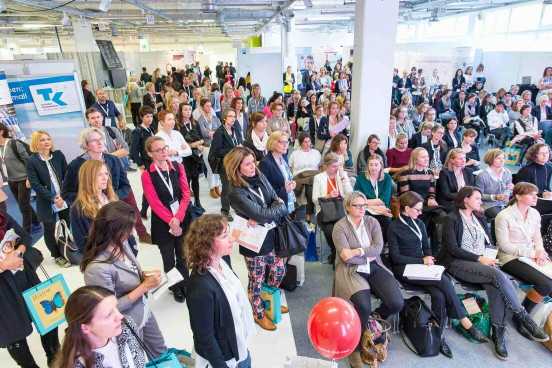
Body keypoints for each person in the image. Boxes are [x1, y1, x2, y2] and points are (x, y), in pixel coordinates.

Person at [438, 186, 548, 360]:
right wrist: (479, 259)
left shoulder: (479, 217)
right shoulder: (451, 219)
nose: (481, 202)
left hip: (482, 264)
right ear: (465, 199)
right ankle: (523, 317)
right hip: (458, 263)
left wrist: (489, 257)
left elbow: (488, 243)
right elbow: (452, 249)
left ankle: (498, 333)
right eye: (477, 199)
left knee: (496, 285)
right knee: (499, 277)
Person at [388, 191, 488, 358]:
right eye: (418, 210)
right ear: (406, 208)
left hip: (423, 269)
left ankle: (439, 337)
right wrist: (422, 260)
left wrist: (429, 259)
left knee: (439, 295)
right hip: (405, 269)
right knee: (444, 281)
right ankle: (465, 321)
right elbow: (395, 257)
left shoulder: (419, 223)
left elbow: (427, 247)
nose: (421, 213)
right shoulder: (394, 226)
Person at [81, 201, 166, 356]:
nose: (133, 232)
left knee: (161, 352)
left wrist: (143, 275)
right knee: (137, 360)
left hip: (143, 309)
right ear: (115, 230)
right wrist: (144, 287)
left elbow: (128, 270)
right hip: (124, 325)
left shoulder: (122, 242)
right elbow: (109, 308)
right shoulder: (96, 269)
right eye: (129, 228)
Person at [332, 191, 404, 368]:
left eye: (364, 205)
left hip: (374, 266)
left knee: (396, 302)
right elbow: (345, 258)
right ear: (348, 207)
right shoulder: (340, 227)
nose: (361, 209)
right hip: (351, 270)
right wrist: (365, 253)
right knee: (362, 306)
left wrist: (357, 251)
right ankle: (354, 349)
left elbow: (378, 248)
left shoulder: (373, 222)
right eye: (357, 205)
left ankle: (372, 319)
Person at [225, 147, 288, 331]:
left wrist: (270, 211)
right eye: (247, 164)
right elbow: (262, 213)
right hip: (253, 242)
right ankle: (258, 312)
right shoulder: (235, 191)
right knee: (256, 280)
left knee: (278, 269)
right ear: (237, 167)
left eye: (253, 162)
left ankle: (268, 299)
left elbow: (275, 199)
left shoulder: (259, 176)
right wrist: (272, 210)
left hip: (269, 234)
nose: (253, 166)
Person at [186, 214, 255, 368]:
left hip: (238, 345)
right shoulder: (200, 286)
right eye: (224, 236)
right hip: (224, 359)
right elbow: (205, 337)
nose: (231, 239)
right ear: (207, 244)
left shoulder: (222, 262)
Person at [62, 128, 151, 244]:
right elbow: (66, 193)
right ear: (86, 145)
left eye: (101, 139)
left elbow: (125, 186)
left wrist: (112, 197)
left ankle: (141, 235)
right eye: (94, 140)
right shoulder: (76, 165)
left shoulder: (113, 160)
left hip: (114, 208)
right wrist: (88, 200)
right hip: (92, 214)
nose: (100, 142)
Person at [0, 211, 60, 368]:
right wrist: (3, 265)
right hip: (2, 291)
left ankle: (55, 359)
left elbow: (24, 236)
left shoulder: (1, 215)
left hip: (24, 275)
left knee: (48, 318)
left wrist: (18, 252)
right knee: (14, 334)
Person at [141, 136, 191, 303]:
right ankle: (175, 286)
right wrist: (171, 221)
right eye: (158, 150)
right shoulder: (147, 175)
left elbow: (185, 195)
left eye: (165, 148)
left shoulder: (178, 167)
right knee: (168, 257)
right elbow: (154, 202)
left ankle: (185, 282)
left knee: (183, 254)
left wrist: (178, 217)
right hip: (163, 223)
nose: (164, 152)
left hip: (182, 217)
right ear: (150, 154)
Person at [55, 285, 147, 368]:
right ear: (85, 328)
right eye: (108, 315)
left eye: (116, 308)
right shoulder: (78, 364)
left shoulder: (126, 326)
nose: (120, 316)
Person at [495, 182, 552, 315]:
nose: (535, 197)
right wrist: (533, 253)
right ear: (518, 196)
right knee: (546, 284)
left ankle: (542, 318)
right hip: (509, 258)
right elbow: (504, 246)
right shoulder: (504, 216)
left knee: (549, 285)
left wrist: (540, 252)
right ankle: (522, 315)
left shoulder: (535, 213)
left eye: (535, 195)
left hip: (530, 255)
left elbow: (538, 238)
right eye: (531, 195)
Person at [26, 131, 70, 267]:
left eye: (48, 139)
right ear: (36, 143)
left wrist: (63, 195)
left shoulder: (58, 155)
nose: (46, 142)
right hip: (46, 200)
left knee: (66, 224)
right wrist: (52, 197)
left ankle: (67, 248)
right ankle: (56, 255)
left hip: (63, 198)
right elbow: (35, 184)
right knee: (49, 228)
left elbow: (67, 175)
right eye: (42, 140)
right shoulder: (32, 161)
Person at [70, 160, 129, 258]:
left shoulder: (112, 198)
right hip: (103, 260)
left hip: (124, 254)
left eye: (106, 173)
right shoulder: (78, 208)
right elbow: (82, 245)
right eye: (99, 174)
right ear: (88, 178)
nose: (105, 178)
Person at [398, 147, 445, 253]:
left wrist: (432, 198)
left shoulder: (429, 173)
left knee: (442, 217)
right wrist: (423, 202)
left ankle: (437, 252)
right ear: (415, 159)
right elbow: (406, 195)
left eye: (427, 156)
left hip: (427, 205)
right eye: (423, 157)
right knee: (427, 218)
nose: (426, 159)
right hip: (412, 205)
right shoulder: (405, 173)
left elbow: (432, 191)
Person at [312, 153, 353, 265]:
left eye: (337, 166)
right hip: (325, 212)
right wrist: (328, 196)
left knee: (344, 229)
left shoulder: (341, 176)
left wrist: (343, 176)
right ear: (326, 166)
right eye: (333, 166)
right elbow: (314, 199)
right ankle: (337, 254)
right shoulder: (318, 178)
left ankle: (336, 255)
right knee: (331, 231)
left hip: (341, 210)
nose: (336, 169)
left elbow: (350, 194)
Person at [0, 123, 39, 234]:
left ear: (1, 131)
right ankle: (36, 222)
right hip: (11, 180)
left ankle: (26, 230)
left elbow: (29, 161)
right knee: (23, 203)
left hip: (23, 178)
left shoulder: (14, 143)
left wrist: (29, 177)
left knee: (23, 205)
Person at [210, 108, 243, 220]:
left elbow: (239, 142)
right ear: (224, 118)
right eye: (230, 116)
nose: (233, 118)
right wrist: (233, 149)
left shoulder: (235, 130)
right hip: (224, 164)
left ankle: (236, 206)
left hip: (235, 162)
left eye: (234, 116)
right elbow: (216, 151)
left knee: (236, 186)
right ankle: (225, 210)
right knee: (227, 187)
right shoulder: (219, 132)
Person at [354, 155, 393, 240]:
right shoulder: (361, 178)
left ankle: (382, 246)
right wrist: (372, 205)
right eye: (371, 165)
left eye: (376, 164)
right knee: (366, 219)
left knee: (387, 221)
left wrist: (366, 202)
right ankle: (369, 245)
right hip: (367, 209)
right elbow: (357, 198)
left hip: (382, 208)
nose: (373, 167)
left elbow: (384, 200)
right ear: (367, 166)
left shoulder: (387, 178)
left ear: (381, 165)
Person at [259, 131, 296, 214]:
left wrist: (291, 183)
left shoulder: (283, 158)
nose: (285, 145)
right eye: (282, 142)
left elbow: (285, 178)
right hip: (275, 208)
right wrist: (284, 190)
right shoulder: (265, 163)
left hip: (287, 202)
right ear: (273, 143)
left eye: (287, 142)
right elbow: (264, 190)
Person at [177, 103, 205, 210]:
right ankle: (187, 204)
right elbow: (180, 144)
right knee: (186, 181)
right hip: (184, 158)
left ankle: (197, 202)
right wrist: (194, 145)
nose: (188, 112)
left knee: (196, 180)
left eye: (189, 109)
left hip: (195, 157)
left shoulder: (194, 123)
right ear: (181, 111)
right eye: (185, 110)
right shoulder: (178, 125)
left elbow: (202, 139)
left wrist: (198, 144)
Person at [86, 107, 133, 172]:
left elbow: (126, 150)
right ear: (88, 120)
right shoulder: (87, 136)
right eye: (92, 118)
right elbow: (90, 157)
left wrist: (106, 156)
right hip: (100, 171)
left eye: (98, 117)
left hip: (118, 168)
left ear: (102, 117)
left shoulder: (113, 130)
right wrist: (118, 152)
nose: (96, 120)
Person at [289, 133, 321, 222]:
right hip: (299, 176)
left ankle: (301, 213)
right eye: (305, 142)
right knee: (309, 186)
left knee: (310, 186)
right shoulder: (295, 154)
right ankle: (309, 214)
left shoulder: (316, 153)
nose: (307, 144)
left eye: (309, 141)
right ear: (300, 143)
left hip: (313, 176)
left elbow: (319, 168)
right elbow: (290, 168)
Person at [130, 106, 155, 218]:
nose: (149, 119)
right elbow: (133, 151)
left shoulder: (151, 129)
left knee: (153, 186)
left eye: (151, 116)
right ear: (141, 117)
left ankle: (145, 210)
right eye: (147, 116)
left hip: (154, 161)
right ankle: (144, 210)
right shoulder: (137, 131)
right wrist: (141, 164)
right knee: (149, 188)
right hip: (146, 163)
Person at [514, 143, 552, 215]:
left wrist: (548, 193)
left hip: (541, 199)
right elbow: (520, 191)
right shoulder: (526, 170)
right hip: (528, 201)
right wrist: (542, 194)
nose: (545, 155)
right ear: (535, 154)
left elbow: (546, 187)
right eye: (542, 153)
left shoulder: (549, 168)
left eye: (547, 152)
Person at [475, 149, 513, 219]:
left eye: (503, 158)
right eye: (498, 158)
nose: (502, 160)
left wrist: (507, 194)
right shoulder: (482, 176)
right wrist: (495, 197)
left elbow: (509, 188)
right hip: (488, 205)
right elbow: (478, 196)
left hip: (504, 203)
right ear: (491, 159)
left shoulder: (507, 172)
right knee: (504, 218)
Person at [197, 98, 223, 199]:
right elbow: (204, 133)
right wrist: (212, 132)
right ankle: (211, 188)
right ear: (203, 107)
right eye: (207, 106)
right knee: (210, 168)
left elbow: (220, 129)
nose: (209, 107)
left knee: (217, 167)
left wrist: (212, 132)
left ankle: (217, 186)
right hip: (207, 146)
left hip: (216, 145)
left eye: (210, 105)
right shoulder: (200, 119)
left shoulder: (215, 117)